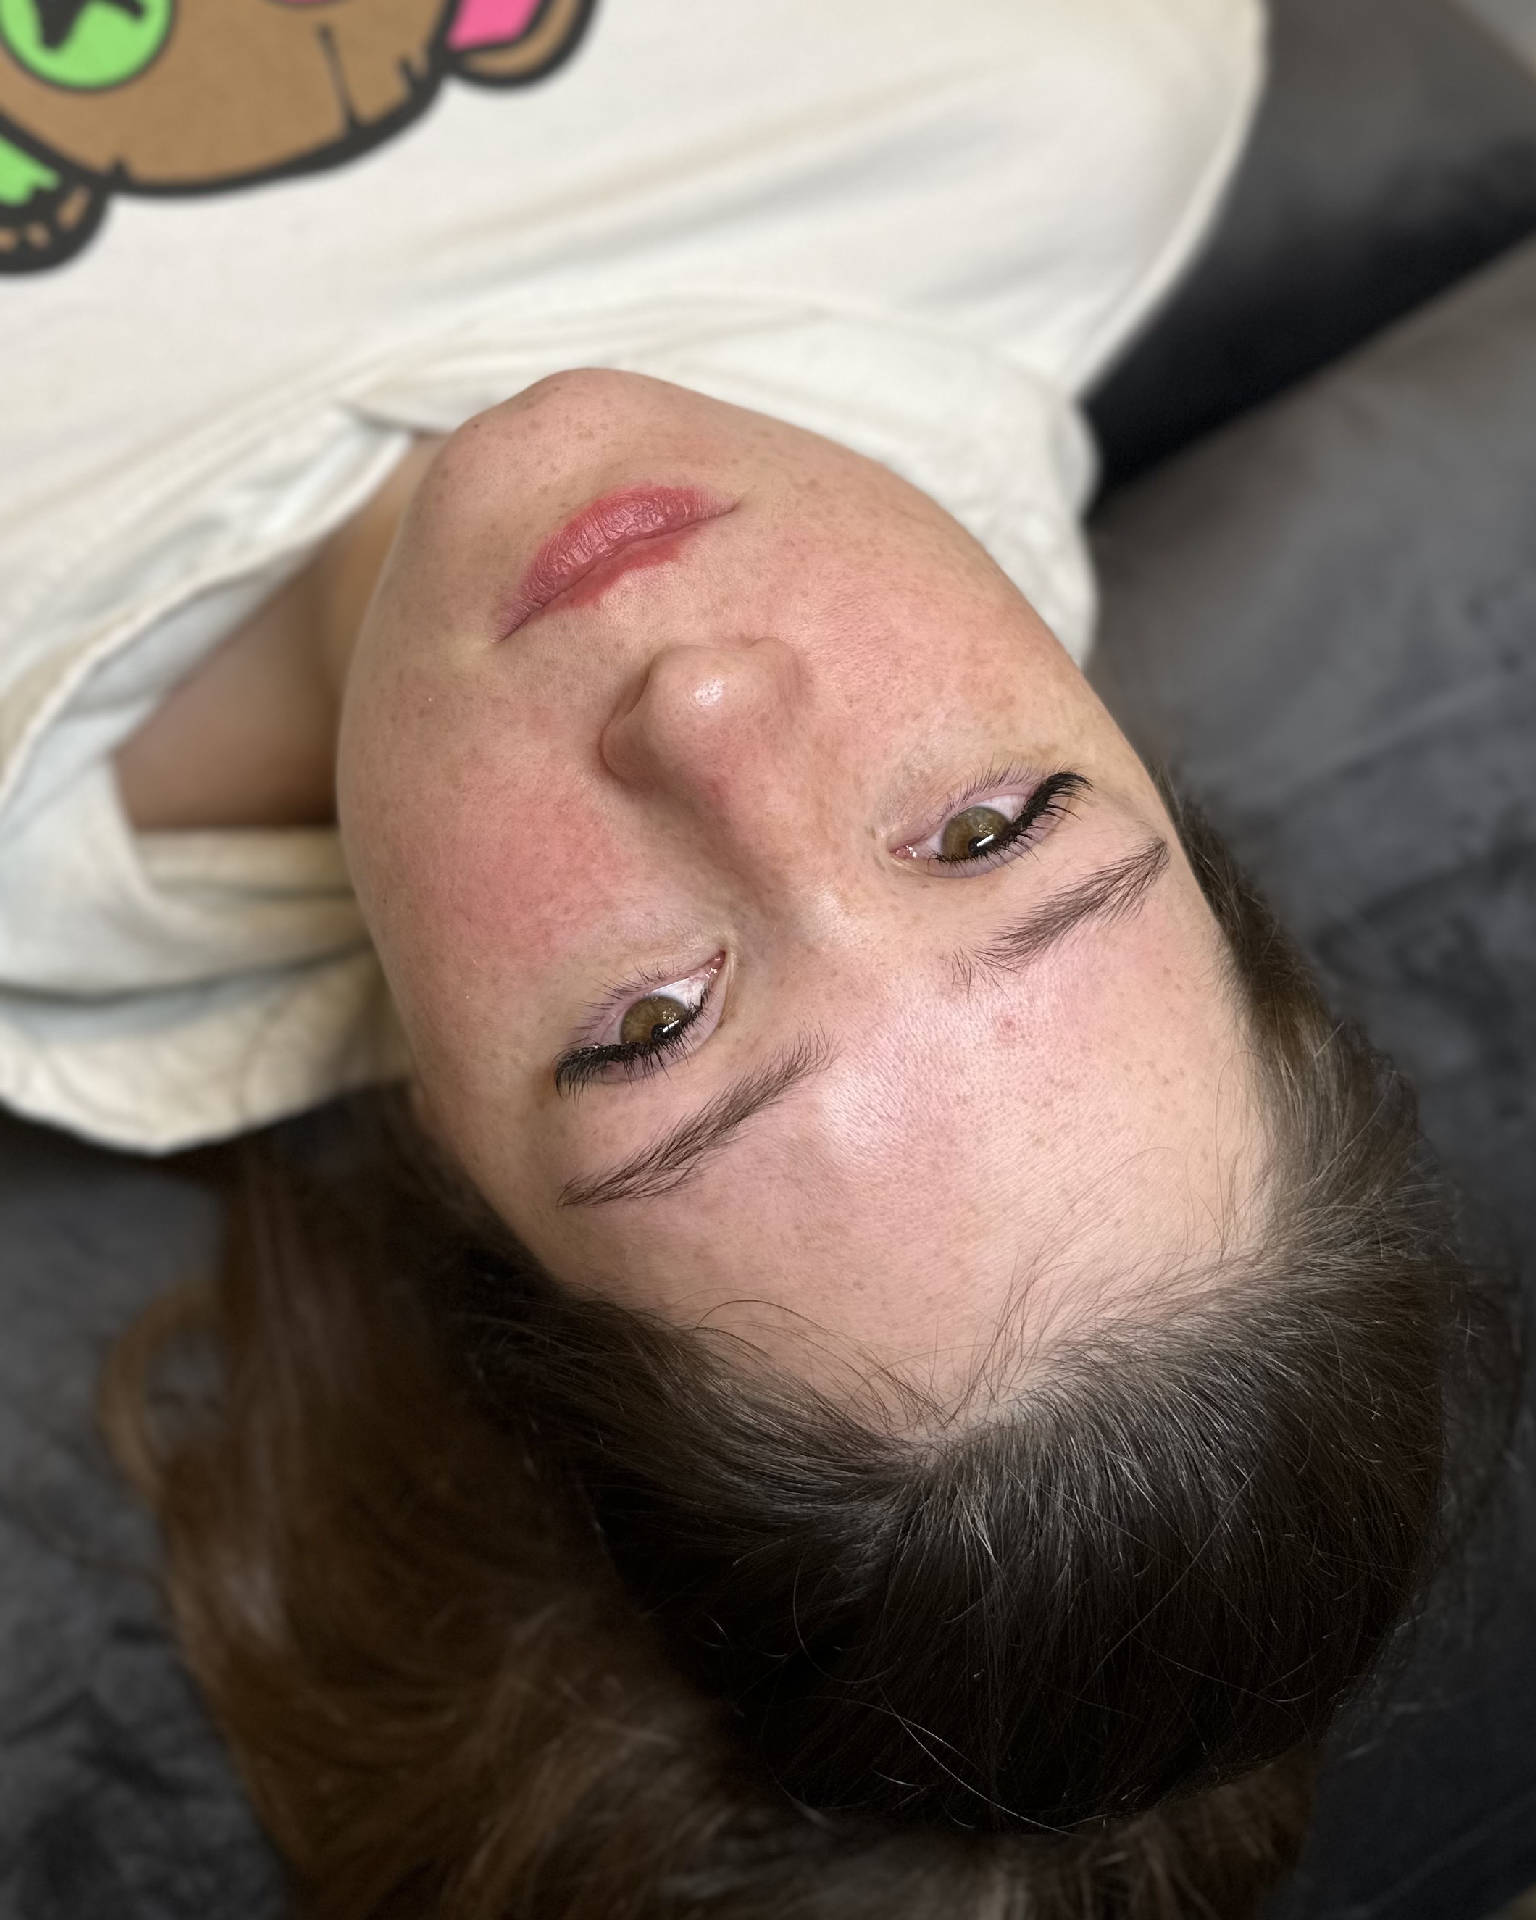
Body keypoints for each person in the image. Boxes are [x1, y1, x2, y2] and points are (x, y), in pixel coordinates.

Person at [0, 3, 1510, 1915]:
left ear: (455, 1173)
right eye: (991, 833)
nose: (707, 713)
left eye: (656, 1024)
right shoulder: (1032, 77)